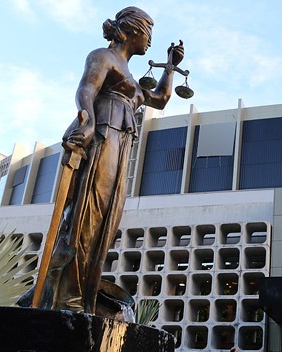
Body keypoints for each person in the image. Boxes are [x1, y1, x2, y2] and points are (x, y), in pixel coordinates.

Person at [28, 7, 184, 314]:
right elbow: (87, 89)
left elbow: (161, 100)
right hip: (103, 135)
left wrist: (170, 66)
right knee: (88, 214)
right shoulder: (103, 56)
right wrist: (86, 122)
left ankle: (86, 291)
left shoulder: (131, 78)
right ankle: (66, 294)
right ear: (133, 31)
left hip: (121, 144)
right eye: (147, 34)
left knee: (107, 221)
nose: (150, 41)